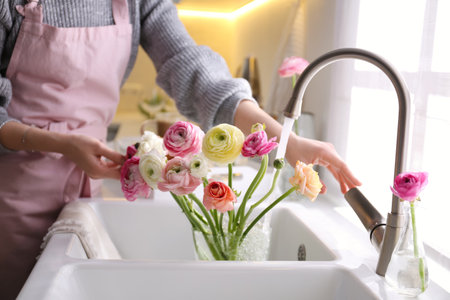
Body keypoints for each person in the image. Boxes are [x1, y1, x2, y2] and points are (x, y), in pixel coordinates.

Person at [0, 0, 361, 298]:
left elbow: (193, 69)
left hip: (82, 186)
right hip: (12, 193)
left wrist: (287, 141)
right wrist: (59, 143)